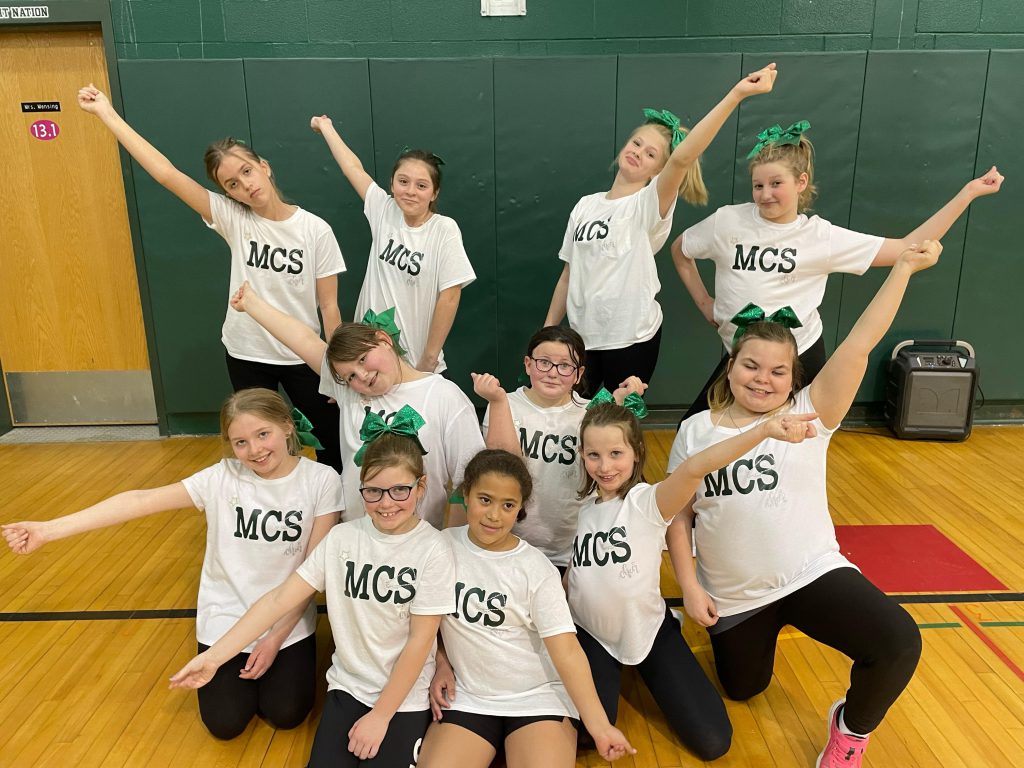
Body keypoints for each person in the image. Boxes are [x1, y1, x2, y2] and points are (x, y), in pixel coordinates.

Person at [667, 241, 943, 767]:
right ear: (730, 367)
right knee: (744, 687)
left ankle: (850, 734)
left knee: (898, 641)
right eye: (751, 366)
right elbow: (679, 514)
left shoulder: (810, 414)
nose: (762, 380)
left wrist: (903, 267)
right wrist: (688, 583)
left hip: (811, 574)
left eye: (777, 372)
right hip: (736, 597)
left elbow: (861, 343)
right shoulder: (694, 431)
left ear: (794, 380)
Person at [3, 388, 342, 739]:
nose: (254, 450)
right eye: (240, 442)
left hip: (284, 619)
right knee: (225, 724)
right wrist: (48, 530)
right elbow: (139, 500)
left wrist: (274, 639)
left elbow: (308, 574)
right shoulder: (220, 477)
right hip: (226, 618)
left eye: (262, 434)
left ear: (286, 427)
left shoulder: (321, 480)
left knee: (286, 714)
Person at [77, 84, 347, 472]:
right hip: (246, 352)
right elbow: (166, 173)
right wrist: (106, 113)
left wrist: (334, 369)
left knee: (331, 440)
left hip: (301, 353)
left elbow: (329, 305)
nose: (245, 185)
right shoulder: (233, 218)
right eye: (231, 184)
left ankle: (332, 517)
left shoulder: (314, 230)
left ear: (264, 166)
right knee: (264, 448)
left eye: (247, 171)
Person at [673, 118, 1004, 419]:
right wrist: (706, 303)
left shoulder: (820, 236)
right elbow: (681, 250)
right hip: (743, 355)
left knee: (793, 442)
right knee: (696, 429)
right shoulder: (728, 221)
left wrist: (969, 193)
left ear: (801, 182)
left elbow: (908, 244)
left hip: (799, 356)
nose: (765, 194)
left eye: (776, 184)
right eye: (758, 186)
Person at [170, 429, 455, 766]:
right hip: (348, 687)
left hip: (403, 698)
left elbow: (420, 642)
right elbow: (278, 600)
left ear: (420, 487)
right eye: (374, 492)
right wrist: (214, 657)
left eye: (400, 490)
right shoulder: (341, 540)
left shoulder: (435, 550)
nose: (387, 502)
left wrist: (380, 717)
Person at [569, 390, 817, 760]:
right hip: (591, 634)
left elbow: (696, 467)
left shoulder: (648, 502)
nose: (605, 466)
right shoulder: (584, 510)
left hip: (646, 630)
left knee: (713, 742)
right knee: (587, 737)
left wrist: (763, 431)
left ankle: (663, 635)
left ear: (636, 452)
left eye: (616, 453)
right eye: (594, 455)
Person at [543, 63, 779, 396]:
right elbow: (569, 275)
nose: (638, 152)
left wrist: (737, 94)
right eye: (636, 143)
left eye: (651, 153)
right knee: (577, 427)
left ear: (659, 170)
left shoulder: (647, 205)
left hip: (631, 338)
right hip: (582, 338)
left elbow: (683, 158)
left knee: (615, 431)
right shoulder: (585, 205)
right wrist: (549, 331)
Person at [417, 449, 634, 766]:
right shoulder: (440, 548)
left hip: (538, 697)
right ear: (466, 494)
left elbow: (567, 652)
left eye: (508, 505)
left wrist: (600, 726)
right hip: (469, 696)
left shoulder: (535, 568)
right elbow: (425, 620)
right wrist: (441, 661)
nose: (494, 515)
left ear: (520, 509)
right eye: (485, 499)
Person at [230, 281, 483, 528]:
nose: (361, 376)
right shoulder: (350, 392)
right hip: (355, 535)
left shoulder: (444, 395)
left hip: (417, 541)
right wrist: (250, 303)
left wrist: (453, 542)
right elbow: (304, 340)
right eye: (350, 375)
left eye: (363, 359)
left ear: (384, 339)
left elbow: (469, 481)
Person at [311, 115, 476, 374]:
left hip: (415, 362)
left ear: (434, 193)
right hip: (365, 359)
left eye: (421, 185)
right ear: (391, 184)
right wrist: (326, 127)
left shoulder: (444, 229)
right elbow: (353, 168)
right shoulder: (383, 209)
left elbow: (450, 297)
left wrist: (429, 361)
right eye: (403, 181)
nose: (410, 190)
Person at [472, 326, 644, 571]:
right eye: (544, 362)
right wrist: (497, 401)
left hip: (572, 549)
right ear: (528, 364)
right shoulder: (505, 403)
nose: (553, 373)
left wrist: (620, 403)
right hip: (511, 542)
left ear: (578, 373)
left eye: (565, 366)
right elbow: (505, 468)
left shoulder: (590, 413)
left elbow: (614, 463)